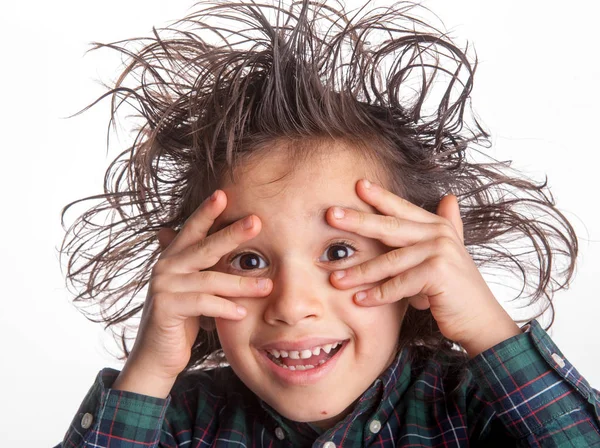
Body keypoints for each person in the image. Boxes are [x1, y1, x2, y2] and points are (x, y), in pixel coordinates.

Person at [55, 0, 600, 446]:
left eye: (339, 252)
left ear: (423, 260)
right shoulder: (177, 424)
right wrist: (148, 369)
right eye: (249, 260)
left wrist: (488, 329)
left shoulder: (478, 409)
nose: (292, 307)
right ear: (187, 274)